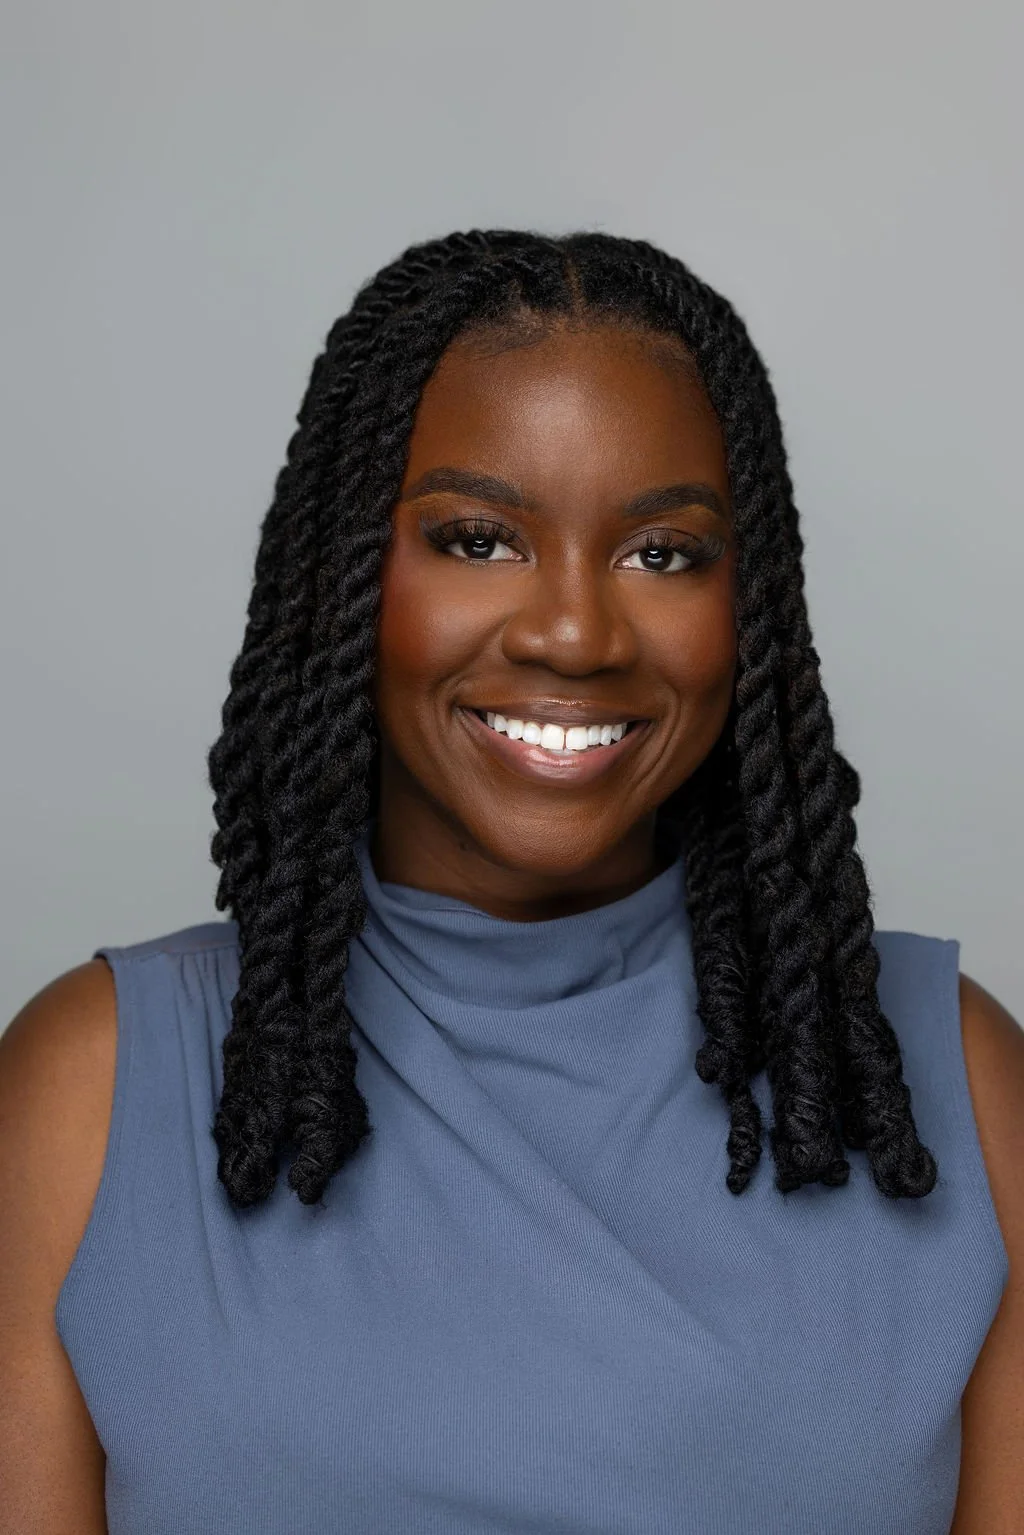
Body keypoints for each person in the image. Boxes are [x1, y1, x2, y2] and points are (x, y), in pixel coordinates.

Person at [1, 229, 1021, 1534]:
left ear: (752, 607)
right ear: (343, 576)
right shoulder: (88, 1094)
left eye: (664, 553)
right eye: (479, 539)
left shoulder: (955, 1085)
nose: (575, 634)